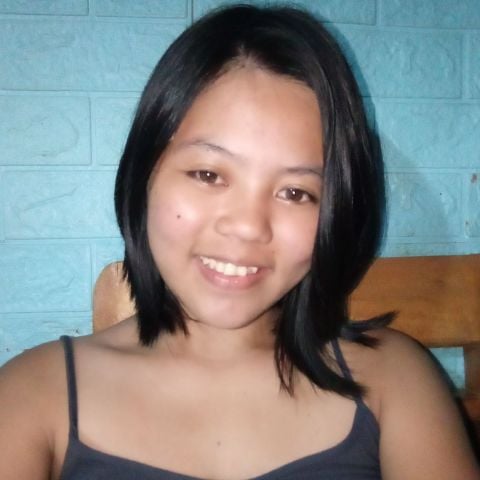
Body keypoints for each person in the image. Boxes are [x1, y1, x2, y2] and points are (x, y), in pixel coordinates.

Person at [0, 4, 478, 480]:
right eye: (208, 174)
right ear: (144, 175)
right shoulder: (32, 394)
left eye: (295, 192)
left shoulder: (395, 379)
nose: (249, 227)